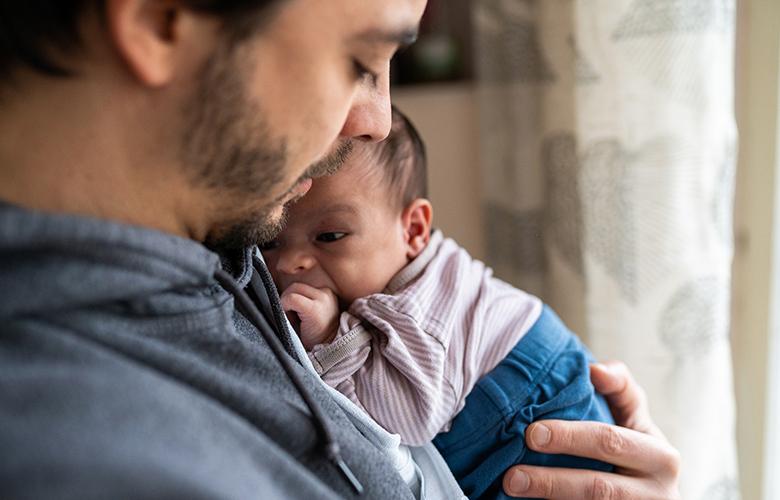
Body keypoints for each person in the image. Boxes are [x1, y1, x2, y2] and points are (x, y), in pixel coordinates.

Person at [0, 1, 680, 499]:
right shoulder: (80, 448)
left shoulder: (223, 238)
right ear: (159, 18)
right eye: (360, 61)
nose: (377, 122)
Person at [261, 107, 616, 499]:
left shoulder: (414, 312)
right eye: (272, 240)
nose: (290, 262)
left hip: (531, 410)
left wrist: (332, 337)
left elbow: (407, 420)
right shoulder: (409, 273)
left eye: (329, 236)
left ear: (413, 230)